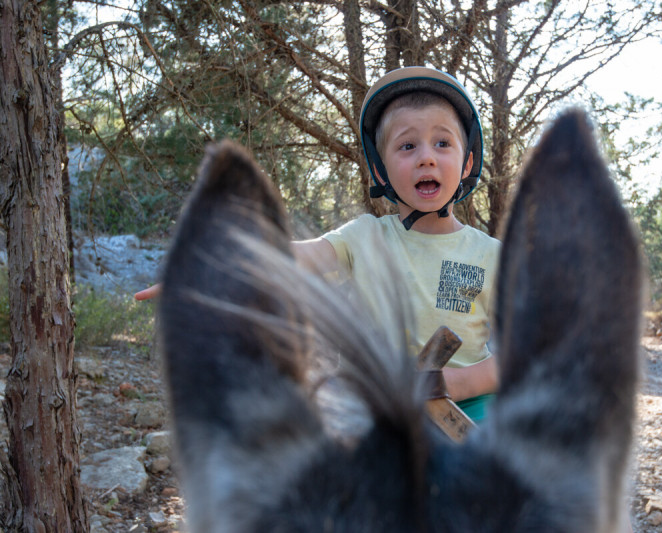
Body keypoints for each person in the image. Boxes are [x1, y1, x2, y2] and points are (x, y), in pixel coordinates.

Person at [136, 67, 500, 421]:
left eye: (442, 142)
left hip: (467, 416)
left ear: (467, 163)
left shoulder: (493, 256)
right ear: (379, 170)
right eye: (407, 145)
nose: (426, 156)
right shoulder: (364, 238)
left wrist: (458, 382)